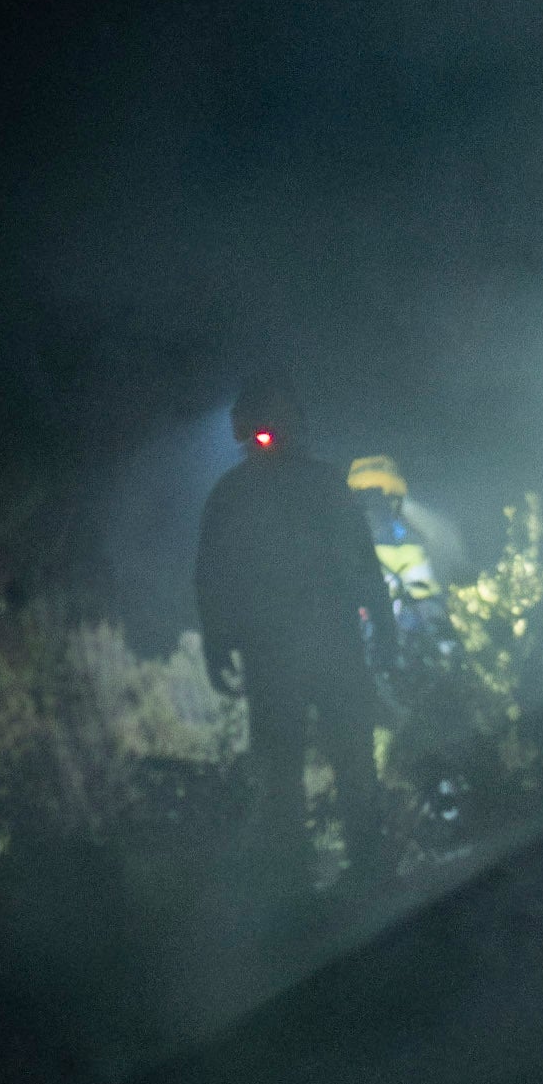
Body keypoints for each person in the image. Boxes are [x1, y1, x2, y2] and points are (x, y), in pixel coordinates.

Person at [195, 372, 399, 885]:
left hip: (305, 650)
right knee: (315, 769)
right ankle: (334, 875)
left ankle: (318, 877)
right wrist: (217, 643)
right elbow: (214, 575)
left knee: (319, 767)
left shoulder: (243, 492)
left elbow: (212, 577)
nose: (267, 427)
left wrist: (217, 644)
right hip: (300, 650)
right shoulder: (303, 485)